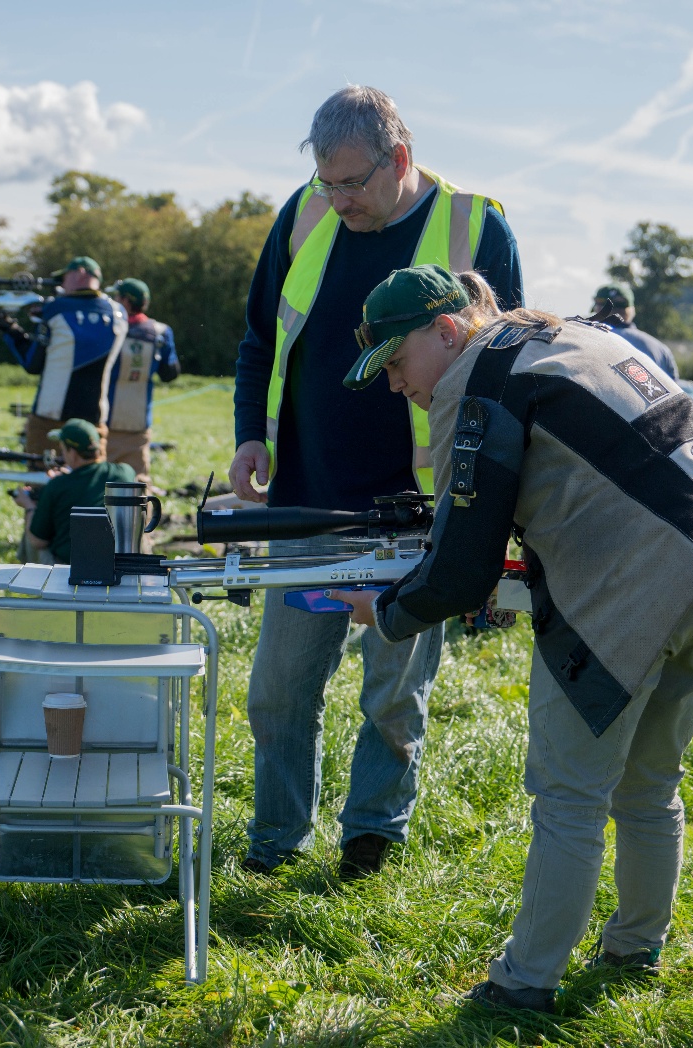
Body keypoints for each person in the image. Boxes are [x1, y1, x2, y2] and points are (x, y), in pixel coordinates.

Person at [330, 264, 693, 1013]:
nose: (394, 386)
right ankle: (636, 946)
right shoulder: (573, 335)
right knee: (649, 783)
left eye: (395, 363)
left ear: (446, 332)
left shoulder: (478, 382)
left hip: (636, 587)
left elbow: (457, 568)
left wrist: (383, 612)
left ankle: (524, 983)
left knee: (569, 796)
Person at [228, 85, 524, 880]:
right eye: (326, 182)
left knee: (394, 695)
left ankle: (372, 836)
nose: (338, 200)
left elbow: (504, 368)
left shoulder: (475, 224)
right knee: (278, 691)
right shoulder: (302, 215)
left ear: (399, 158)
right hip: (306, 501)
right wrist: (250, 435)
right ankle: (276, 838)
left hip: (415, 509)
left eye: (352, 183)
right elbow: (261, 340)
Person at [0, 257, 128, 459]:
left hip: (50, 416)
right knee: (89, 482)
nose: (61, 285)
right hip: (94, 417)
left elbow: (33, 363)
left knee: (41, 482)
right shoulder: (119, 313)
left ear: (80, 273)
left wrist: (11, 331)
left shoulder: (55, 309)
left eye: (64, 278)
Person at [12, 419, 135, 564]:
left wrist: (29, 507)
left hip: (72, 569)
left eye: (63, 449)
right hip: (117, 564)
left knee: (33, 531)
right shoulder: (126, 472)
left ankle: (30, 581)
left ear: (73, 453)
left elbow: (38, 541)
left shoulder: (57, 485)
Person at [105, 277, 180, 481]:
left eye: (116, 297)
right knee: (137, 485)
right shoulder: (161, 332)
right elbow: (170, 374)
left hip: (103, 420)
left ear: (126, 302)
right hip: (137, 424)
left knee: (100, 484)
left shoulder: (107, 328)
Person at [592, 283, 679, 379]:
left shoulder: (592, 340)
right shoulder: (661, 349)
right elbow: (675, 389)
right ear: (631, 310)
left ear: (600, 309)